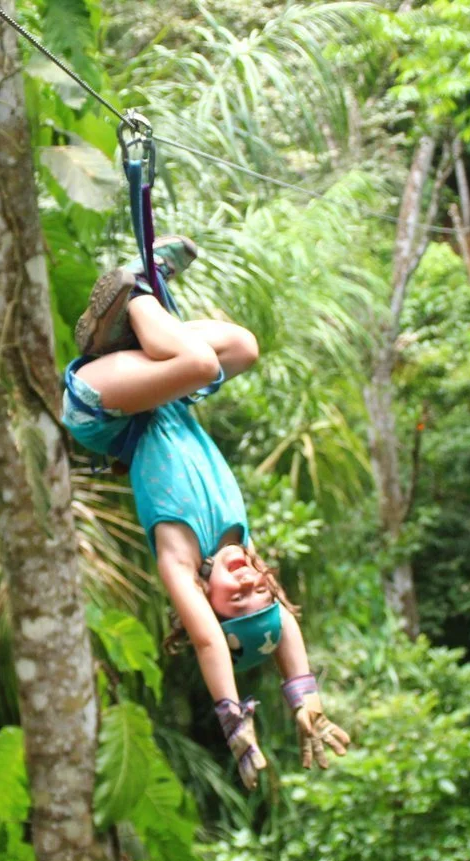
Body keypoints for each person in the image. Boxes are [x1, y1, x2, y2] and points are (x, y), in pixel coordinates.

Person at [61, 236, 351, 789]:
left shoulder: (180, 557)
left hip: (100, 408)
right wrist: (304, 698)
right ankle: (119, 329)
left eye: (236, 599)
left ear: (206, 602)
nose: (247, 581)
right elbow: (282, 621)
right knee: (243, 348)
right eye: (259, 589)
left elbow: (210, 642)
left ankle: (137, 291)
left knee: (197, 363)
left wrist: (234, 719)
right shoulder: (237, 542)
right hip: (158, 395)